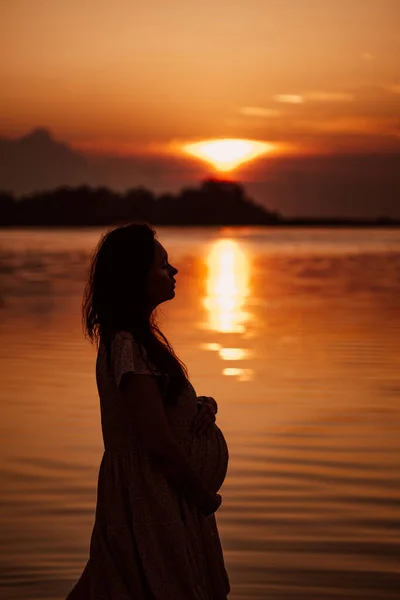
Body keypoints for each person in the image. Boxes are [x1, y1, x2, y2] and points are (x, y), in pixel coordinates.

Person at [66, 222, 230, 599]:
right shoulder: (127, 344)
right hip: (153, 495)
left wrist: (201, 407)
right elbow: (156, 441)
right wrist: (202, 497)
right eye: (162, 265)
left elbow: (158, 408)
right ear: (134, 277)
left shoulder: (134, 342)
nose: (173, 272)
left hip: (161, 492)